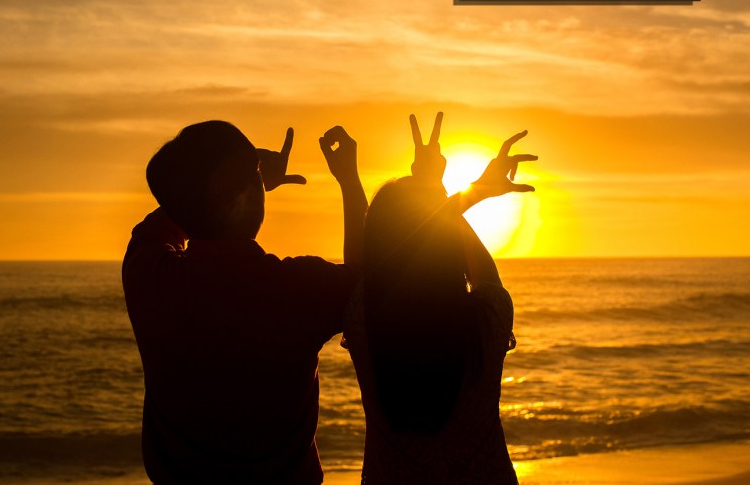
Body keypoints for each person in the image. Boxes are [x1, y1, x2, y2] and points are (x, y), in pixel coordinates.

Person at [122, 120, 367, 484]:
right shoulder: (298, 288)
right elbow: (368, 283)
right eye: (252, 172)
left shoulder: (150, 276)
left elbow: (166, 218)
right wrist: (348, 179)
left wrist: (234, 183)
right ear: (243, 192)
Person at [341, 113, 536, 484]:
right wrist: (444, 192)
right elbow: (483, 273)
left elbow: (366, 272)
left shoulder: (364, 320)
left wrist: (350, 179)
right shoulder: (488, 319)